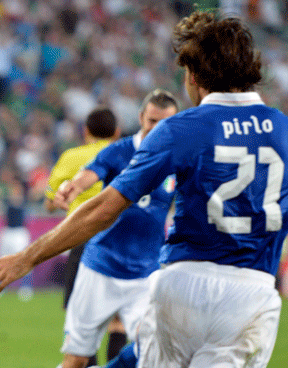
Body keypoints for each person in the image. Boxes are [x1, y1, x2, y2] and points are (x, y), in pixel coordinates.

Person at [0, 10, 288, 368]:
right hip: (250, 294)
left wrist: (26, 258)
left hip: (182, 287)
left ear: (194, 75)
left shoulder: (180, 128)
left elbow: (105, 206)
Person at [51, 89, 178, 368]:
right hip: (100, 268)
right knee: (76, 359)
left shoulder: (177, 160)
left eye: (165, 123)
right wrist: (71, 188)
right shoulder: (118, 151)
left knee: (155, 357)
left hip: (145, 275)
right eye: (152, 121)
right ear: (141, 117)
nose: (157, 128)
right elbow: (90, 173)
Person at [44, 106, 118, 366]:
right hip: (116, 239)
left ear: (85, 130)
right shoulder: (123, 154)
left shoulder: (72, 156)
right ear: (116, 132)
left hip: (81, 238)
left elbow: (50, 201)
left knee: (81, 316)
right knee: (118, 319)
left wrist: (60, 201)